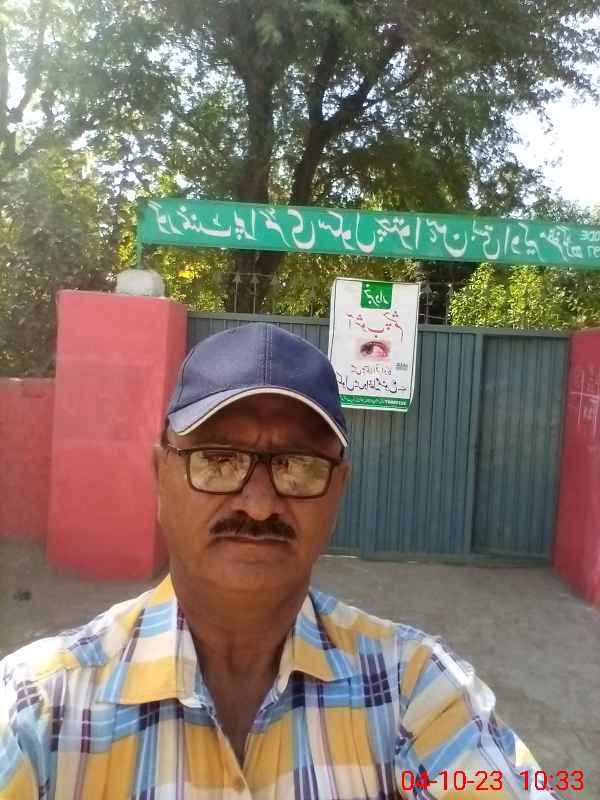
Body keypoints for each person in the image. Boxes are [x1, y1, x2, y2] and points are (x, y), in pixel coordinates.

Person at [0, 323, 562, 799]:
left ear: (338, 491)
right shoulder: (39, 710)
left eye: (298, 465)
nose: (259, 504)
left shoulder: (415, 687)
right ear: (160, 476)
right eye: (218, 459)